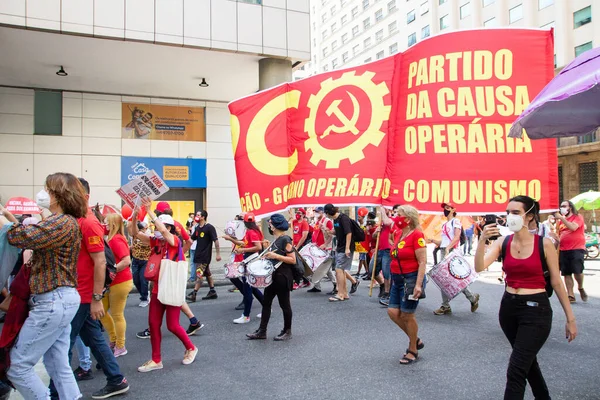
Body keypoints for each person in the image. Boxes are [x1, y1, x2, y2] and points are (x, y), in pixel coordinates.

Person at [475, 195, 577, 399]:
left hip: (536, 312)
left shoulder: (544, 244)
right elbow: (479, 266)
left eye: (515, 213)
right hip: (509, 309)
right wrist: (482, 240)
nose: (509, 217)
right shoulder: (504, 242)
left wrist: (570, 318)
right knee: (527, 363)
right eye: (507, 213)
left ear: (530, 216)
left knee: (516, 369)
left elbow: (556, 282)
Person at [0, 173, 87, 400]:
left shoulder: (62, 222)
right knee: (57, 364)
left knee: (18, 367)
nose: (43, 194)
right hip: (59, 300)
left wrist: (3, 220)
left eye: (47, 190)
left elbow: (20, 236)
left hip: (52, 301)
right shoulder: (64, 221)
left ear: (59, 195)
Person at [46, 177, 129, 399]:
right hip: (78, 294)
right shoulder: (76, 220)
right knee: (94, 339)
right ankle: (116, 379)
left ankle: (54, 393)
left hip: (82, 296)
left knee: (63, 345)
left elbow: (100, 262)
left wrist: (95, 298)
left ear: (84, 196)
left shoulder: (88, 222)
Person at [132, 201, 198, 372]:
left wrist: (151, 214)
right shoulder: (156, 242)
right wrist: (134, 216)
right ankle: (156, 360)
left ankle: (191, 347)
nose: (157, 229)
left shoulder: (174, 240)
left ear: (169, 227)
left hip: (171, 288)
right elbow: (135, 233)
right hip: (156, 289)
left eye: (162, 226)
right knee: (153, 324)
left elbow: (162, 231)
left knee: (172, 325)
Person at [387, 205, 427, 365]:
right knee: (392, 312)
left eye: (398, 214)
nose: (395, 217)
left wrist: (418, 285)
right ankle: (415, 339)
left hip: (410, 279)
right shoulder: (398, 233)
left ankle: (413, 349)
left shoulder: (417, 235)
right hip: (397, 279)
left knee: (407, 315)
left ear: (408, 219)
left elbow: (423, 261)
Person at [247, 213, 296, 341]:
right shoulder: (276, 240)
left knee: (284, 305)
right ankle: (262, 331)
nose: (269, 225)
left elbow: (292, 260)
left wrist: (276, 256)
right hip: (273, 276)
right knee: (266, 303)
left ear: (274, 226)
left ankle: (287, 331)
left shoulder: (286, 239)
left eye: (270, 224)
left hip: (283, 277)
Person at [429, 202, 480, 315]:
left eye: (448, 208)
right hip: (444, 251)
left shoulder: (455, 221)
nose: (445, 210)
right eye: (445, 208)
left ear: (453, 210)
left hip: (452, 252)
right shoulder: (445, 224)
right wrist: (433, 240)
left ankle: (468, 299)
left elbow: (456, 237)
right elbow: (444, 241)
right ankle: (448, 305)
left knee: (455, 279)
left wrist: (448, 248)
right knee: (444, 279)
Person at [222, 213, 265, 323]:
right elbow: (244, 243)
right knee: (252, 288)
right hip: (250, 261)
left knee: (247, 289)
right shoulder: (253, 231)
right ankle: (266, 308)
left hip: (250, 261)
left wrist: (242, 250)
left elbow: (257, 247)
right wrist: (232, 240)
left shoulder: (251, 232)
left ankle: (246, 316)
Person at [102, 213, 133, 358]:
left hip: (120, 281)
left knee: (116, 314)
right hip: (115, 281)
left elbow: (126, 260)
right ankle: (115, 341)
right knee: (102, 311)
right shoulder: (114, 239)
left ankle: (120, 345)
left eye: (106, 223)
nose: (104, 225)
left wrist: (112, 270)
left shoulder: (115, 240)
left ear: (113, 224)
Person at [324, 204, 358, 302]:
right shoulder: (336, 219)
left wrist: (347, 248)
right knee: (341, 270)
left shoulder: (343, 218)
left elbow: (349, 233)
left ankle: (340, 294)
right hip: (340, 247)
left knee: (339, 270)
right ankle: (344, 293)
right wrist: (330, 232)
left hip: (345, 247)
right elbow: (338, 231)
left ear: (327, 212)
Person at [556, 200, 587, 303]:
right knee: (566, 273)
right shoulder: (560, 222)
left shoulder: (578, 217)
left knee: (577, 271)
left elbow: (573, 227)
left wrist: (561, 218)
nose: (562, 208)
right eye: (561, 206)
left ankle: (580, 287)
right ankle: (570, 294)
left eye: (564, 206)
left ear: (570, 207)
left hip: (577, 248)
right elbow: (559, 235)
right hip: (563, 249)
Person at [187, 210, 222, 302]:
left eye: (198, 215)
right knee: (207, 273)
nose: (196, 217)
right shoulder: (198, 228)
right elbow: (191, 239)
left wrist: (218, 254)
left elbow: (216, 241)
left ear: (203, 217)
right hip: (198, 254)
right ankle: (212, 291)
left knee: (199, 275)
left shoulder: (209, 228)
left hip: (204, 256)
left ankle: (194, 293)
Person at [373, 205, 400, 306]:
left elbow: (388, 222)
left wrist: (382, 210)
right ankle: (383, 286)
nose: (397, 213)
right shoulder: (383, 222)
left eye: (399, 212)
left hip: (389, 252)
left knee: (387, 272)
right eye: (396, 211)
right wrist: (377, 231)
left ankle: (388, 293)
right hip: (381, 249)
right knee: (372, 270)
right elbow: (387, 237)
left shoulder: (392, 220)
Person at [307, 207, 338, 295]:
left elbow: (331, 235)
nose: (316, 213)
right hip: (317, 247)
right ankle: (317, 286)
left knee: (326, 268)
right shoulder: (317, 221)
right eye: (315, 211)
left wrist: (325, 244)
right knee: (317, 266)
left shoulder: (327, 221)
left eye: (317, 211)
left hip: (325, 247)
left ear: (322, 212)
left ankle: (336, 284)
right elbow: (315, 233)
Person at [129, 220, 151, 307]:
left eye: (144, 229)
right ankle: (144, 293)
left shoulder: (149, 236)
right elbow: (129, 227)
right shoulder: (135, 235)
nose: (143, 231)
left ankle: (144, 298)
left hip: (145, 260)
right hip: (135, 260)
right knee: (136, 280)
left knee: (143, 280)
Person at [289, 208, 311, 289]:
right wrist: (290, 216)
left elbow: (304, 236)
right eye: (296, 212)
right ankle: (306, 281)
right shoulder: (294, 221)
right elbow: (288, 225)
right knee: (298, 264)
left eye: (299, 213)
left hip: (300, 246)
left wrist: (297, 246)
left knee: (297, 265)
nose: (297, 214)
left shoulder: (304, 223)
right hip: (294, 245)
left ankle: (297, 282)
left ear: (303, 214)